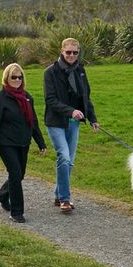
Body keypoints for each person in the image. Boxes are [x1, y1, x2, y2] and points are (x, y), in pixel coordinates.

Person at [43, 37, 99, 214]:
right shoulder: (50, 72)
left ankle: (59, 194)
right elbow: (50, 100)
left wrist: (92, 118)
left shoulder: (80, 71)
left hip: (74, 123)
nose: (72, 55)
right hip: (55, 122)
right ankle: (65, 200)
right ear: (62, 51)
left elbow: (85, 97)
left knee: (70, 162)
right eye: (68, 52)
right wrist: (71, 111)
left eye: (75, 52)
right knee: (64, 157)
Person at [0, 63, 47, 223]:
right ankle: (17, 211)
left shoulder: (27, 97)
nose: (17, 80)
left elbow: (33, 122)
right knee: (14, 173)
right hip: (5, 143)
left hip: (23, 142)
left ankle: (2, 194)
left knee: (20, 174)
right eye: (14, 77)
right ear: (7, 78)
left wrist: (41, 143)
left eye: (20, 77)